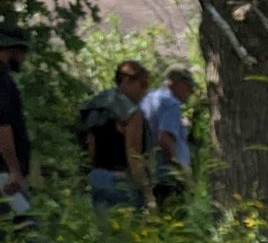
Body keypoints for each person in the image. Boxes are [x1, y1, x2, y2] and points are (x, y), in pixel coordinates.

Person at [80, 61, 154, 210]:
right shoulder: (131, 113)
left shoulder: (97, 105)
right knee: (129, 231)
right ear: (127, 80)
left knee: (104, 231)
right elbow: (134, 155)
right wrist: (149, 194)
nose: (144, 91)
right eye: (143, 84)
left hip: (97, 178)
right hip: (122, 181)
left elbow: (90, 147)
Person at [140, 66, 196, 205]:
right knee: (175, 219)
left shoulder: (149, 99)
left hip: (149, 172)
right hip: (168, 177)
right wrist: (180, 170)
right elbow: (164, 138)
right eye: (189, 87)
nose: (191, 92)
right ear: (177, 83)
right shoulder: (171, 104)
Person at [0, 24, 32, 235]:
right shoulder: (1, 80)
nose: (24, 59)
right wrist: (13, 169)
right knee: (27, 233)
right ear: (13, 50)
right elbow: (2, 125)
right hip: (2, 175)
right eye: (23, 53)